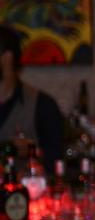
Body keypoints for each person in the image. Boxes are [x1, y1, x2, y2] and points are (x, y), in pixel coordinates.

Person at [0, 25, 64, 173]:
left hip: (25, 187)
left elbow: (57, 163)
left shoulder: (43, 106)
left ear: (7, 58)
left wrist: (34, 152)